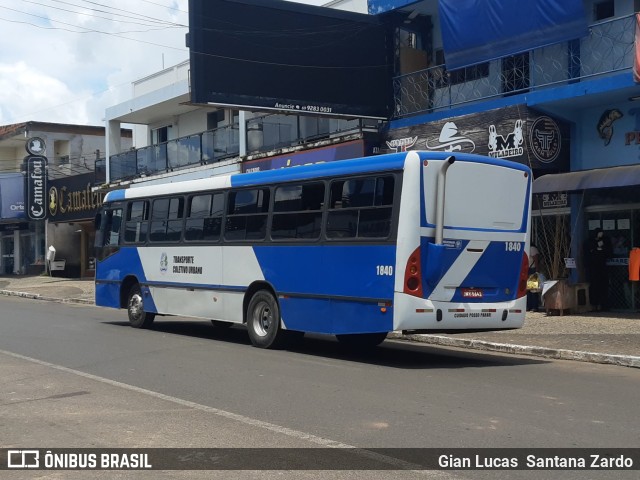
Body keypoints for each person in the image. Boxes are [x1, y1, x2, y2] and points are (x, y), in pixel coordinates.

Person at [587, 228, 612, 311]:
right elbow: (589, 251)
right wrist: (597, 250)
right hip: (594, 268)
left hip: (602, 267)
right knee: (594, 286)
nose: (600, 234)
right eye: (599, 233)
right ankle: (594, 305)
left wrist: (600, 250)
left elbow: (608, 252)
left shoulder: (605, 240)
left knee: (603, 286)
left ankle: (603, 305)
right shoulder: (590, 241)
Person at [527, 243, 540, 312]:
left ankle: (534, 306)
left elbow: (536, 259)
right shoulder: (528, 247)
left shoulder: (532, 248)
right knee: (528, 289)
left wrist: (537, 270)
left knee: (533, 289)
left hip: (532, 269)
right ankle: (529, 306)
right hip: (528, 269)